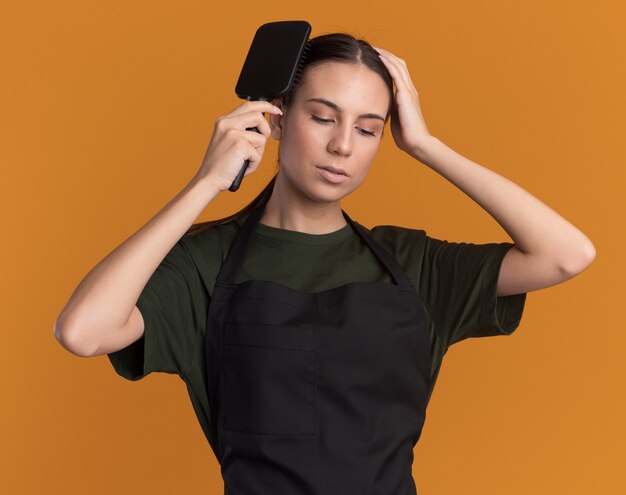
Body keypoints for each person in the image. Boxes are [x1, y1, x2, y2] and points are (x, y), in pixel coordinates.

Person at [54, 32, 595, 494]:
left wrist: (428, 146)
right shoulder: (205, 263)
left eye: (367, 129)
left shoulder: (413, 264)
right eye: (322, 117)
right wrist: (205, 184)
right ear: (277, 118)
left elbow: (567, 254)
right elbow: (83, 331)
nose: (342, 146)